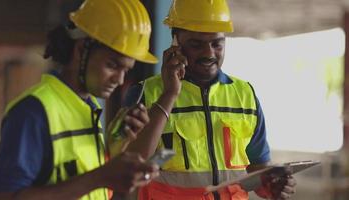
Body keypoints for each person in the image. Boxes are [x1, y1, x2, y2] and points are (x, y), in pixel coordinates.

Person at [123, 0, 297, 199]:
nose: (209, 53)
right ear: (175, 43)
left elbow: (258, 166)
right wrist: (170, 93)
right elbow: (131, 165)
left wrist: (273, 184)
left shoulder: (245, 95)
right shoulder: (145, 93)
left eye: (217, 44)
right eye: (196, 44)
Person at [0, 0, 160, 199]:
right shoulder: (33, 112)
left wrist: (114, 147)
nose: (120, 79)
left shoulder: (88, 108)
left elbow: (84, 184)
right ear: (81, 50)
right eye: (113, 65)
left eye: (126, 70)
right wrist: (101, 177)